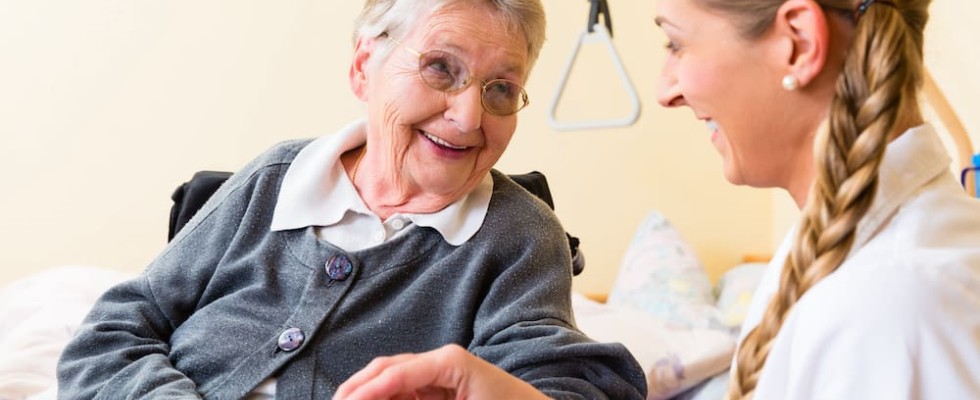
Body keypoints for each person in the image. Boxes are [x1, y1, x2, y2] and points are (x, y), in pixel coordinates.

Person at [332, 0, 980, 399]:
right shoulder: (836, 257)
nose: (665, 89)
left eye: (675, 42)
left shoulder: (893, 306)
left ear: (799, 43)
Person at [55, 0, 648, 399]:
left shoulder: (518, 237)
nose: (469, 115)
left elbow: (561, 386)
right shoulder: (276, 178)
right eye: (441, 69)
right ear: (366, 67)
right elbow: (112, 334)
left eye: (501, 89)